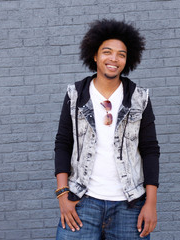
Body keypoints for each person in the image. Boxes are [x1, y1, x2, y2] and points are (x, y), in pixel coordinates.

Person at [54, 19, 160, 240]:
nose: (114, 59)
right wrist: (63, 195)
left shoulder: (139, 98)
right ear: (94, 55)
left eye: (121, 54)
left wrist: (151, 203)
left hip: (129, 206)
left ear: (127, 60)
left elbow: (150, 150)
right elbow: (63, 144)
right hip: (82, 201)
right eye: (107, 52)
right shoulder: (76, 95)